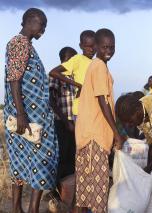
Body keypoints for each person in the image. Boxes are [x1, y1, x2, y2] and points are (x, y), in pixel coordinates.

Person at [3, 8, 58, 212]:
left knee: (22, 159)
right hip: (27, 118)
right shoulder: (19, 43)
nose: (43, 29)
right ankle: (30, 208)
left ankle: (18, 207)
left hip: (30, 116)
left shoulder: (26, 45)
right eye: (41, 24)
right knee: (42, 158)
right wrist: (21, 114)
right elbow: (15, 80)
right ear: (28, 21)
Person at [73, 28, 124, 213]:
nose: (108, 50)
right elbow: (103, 101)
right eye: (104, 47)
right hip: (95, 136)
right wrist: (116, 133)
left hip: (88, 135)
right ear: (95, 47)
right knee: (99, 192)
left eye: (111, 47)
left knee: (84, 193)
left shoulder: (96, 65)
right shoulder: (99, 66)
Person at [49, 46, 77, 208]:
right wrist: (66, 121)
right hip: (61, 123)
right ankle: (55, 193)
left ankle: (67, 195)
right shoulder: (56, 76)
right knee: (60, 158)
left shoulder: (74, 77)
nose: (75, 61)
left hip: (74, 124)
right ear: (64, 59)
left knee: (71, 157)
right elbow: (51, 101)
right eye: (71, 58)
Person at [49, 30, 96, 119]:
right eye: (88, 46)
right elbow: (53, 72)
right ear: (81, 46)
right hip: (75, 114)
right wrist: (79, 85)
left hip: (91, 110)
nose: (91, 49)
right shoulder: (77, 59)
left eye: (94, 46)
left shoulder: (95, 63)